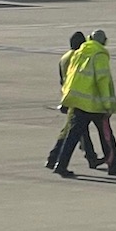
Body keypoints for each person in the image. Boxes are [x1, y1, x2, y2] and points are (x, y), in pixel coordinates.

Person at [50, 29, 116, 176]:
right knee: (106, 135)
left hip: (78, 101)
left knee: (72, 136)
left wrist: (68, 99)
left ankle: (60, 164)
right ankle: (113, 165)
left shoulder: (79, 52)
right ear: (103, 41)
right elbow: (102, 80)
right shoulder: (99, 55)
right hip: (94, 104)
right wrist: (107, 105)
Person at [48, 30, 102, 169]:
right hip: (78, 98)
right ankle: (54, 158)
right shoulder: (79, 57)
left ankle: (90, 157)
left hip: (68, 96)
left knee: (79, 130)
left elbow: (62, 79)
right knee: (71, 131)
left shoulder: (64, 57)